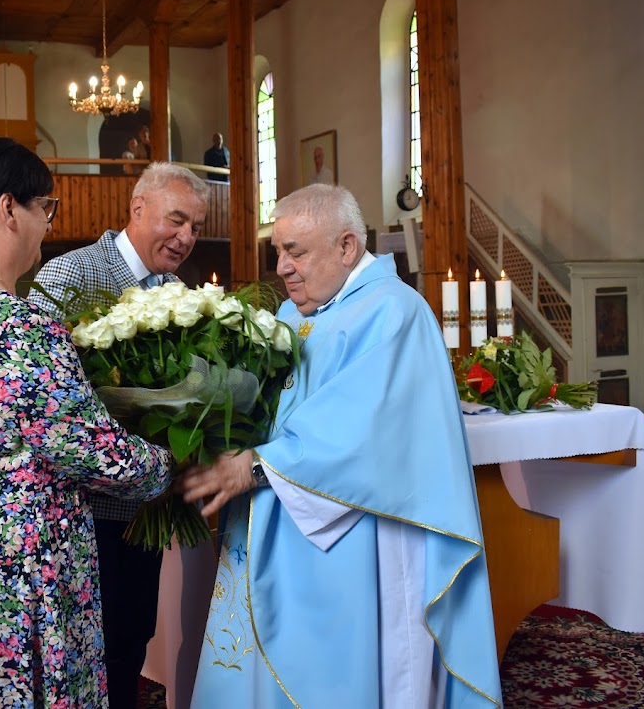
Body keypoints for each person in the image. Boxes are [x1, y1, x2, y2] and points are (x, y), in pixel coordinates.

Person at [179, 184, 503, 708]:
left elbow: (361, 428)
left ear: (347, 246)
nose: (282, 267)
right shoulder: (292, 314)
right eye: (278, 252)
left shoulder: (393, 312)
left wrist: (257, 465)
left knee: (349, 667)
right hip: (279, 516)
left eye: (296, 252)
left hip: (360, 529)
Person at [0, 136, 173, 706]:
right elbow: (101, 456)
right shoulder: (18, 327)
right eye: (43, 208)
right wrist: (172, 463)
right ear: (7, 210)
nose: (47, 223)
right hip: (17, 569)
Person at [28, 162, 209, 709]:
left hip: (146, 510)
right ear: (138, 208)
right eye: (176, 220)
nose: (185, 238)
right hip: (81, 514)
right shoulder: (69, 276)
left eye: (196, 227)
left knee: (132, 639)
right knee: (81, 657)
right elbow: (45, 402)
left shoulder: (175, 290)